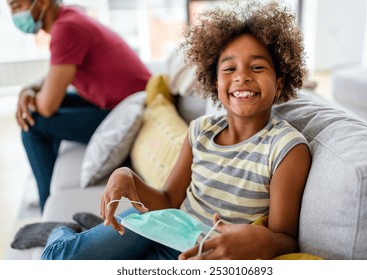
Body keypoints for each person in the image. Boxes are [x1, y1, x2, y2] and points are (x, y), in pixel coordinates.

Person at [41, 1, 311, 260]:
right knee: (58, 260)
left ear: (279, 81)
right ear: (215, 82)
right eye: (229, 68)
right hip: (161, 227)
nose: (242, 76)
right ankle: (62, 232)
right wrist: (127, 176)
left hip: (193, 253)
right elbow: (169, 199)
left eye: (257, 67)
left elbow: (285, 237)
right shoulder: (200, 131)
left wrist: (262, 240)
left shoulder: (286, 147)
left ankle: (86, 235)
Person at [7, 0, 151, 211]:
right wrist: (29, 88)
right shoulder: (70, 16)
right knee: (51, 105)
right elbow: (56, 73)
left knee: (33, 123)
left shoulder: (67, 29)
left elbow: (47, 107)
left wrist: (34, 96)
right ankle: (47, 180)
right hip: (122, 102)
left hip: (125, 111)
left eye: (17, 6)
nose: (14, 14)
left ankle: (46, 204)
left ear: (44, 3)